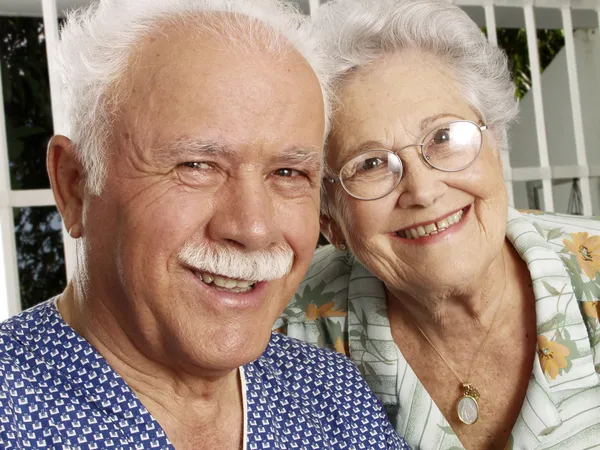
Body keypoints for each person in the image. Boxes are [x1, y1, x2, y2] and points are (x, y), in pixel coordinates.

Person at [0, 1, 409, 449]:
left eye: (288, 173)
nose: (253, 228)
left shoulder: (332, 396)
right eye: (197, 165)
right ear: (75, 187)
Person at [276, 0, 600, 448]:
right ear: (329, 218)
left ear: (496, 143)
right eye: (370, 164)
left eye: (444, 137)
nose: (423, 191)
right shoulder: (279, 330)